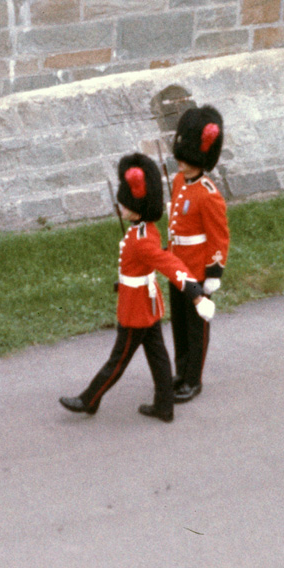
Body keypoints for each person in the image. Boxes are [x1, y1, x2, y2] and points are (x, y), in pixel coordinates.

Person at [59, 153, 215, 423]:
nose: (121, 205)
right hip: (145, 302)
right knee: (158, 356)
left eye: (126, 203)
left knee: (117, 360)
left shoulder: (142, 239)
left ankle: (89, 400)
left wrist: (195, 294)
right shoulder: (146, 230)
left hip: (137, 309)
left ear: (137, 207)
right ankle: (164, 406)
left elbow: (169, 264)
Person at [167, 102, 230, 404]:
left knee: (195, 329)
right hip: (176, 266)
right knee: (179, 326)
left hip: (196, 271)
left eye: (187, 157)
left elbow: (219, 237)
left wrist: (213, 275)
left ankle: (193, 380)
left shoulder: (209, 194)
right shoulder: (179, 181)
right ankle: (180, 373)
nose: (181, 161)